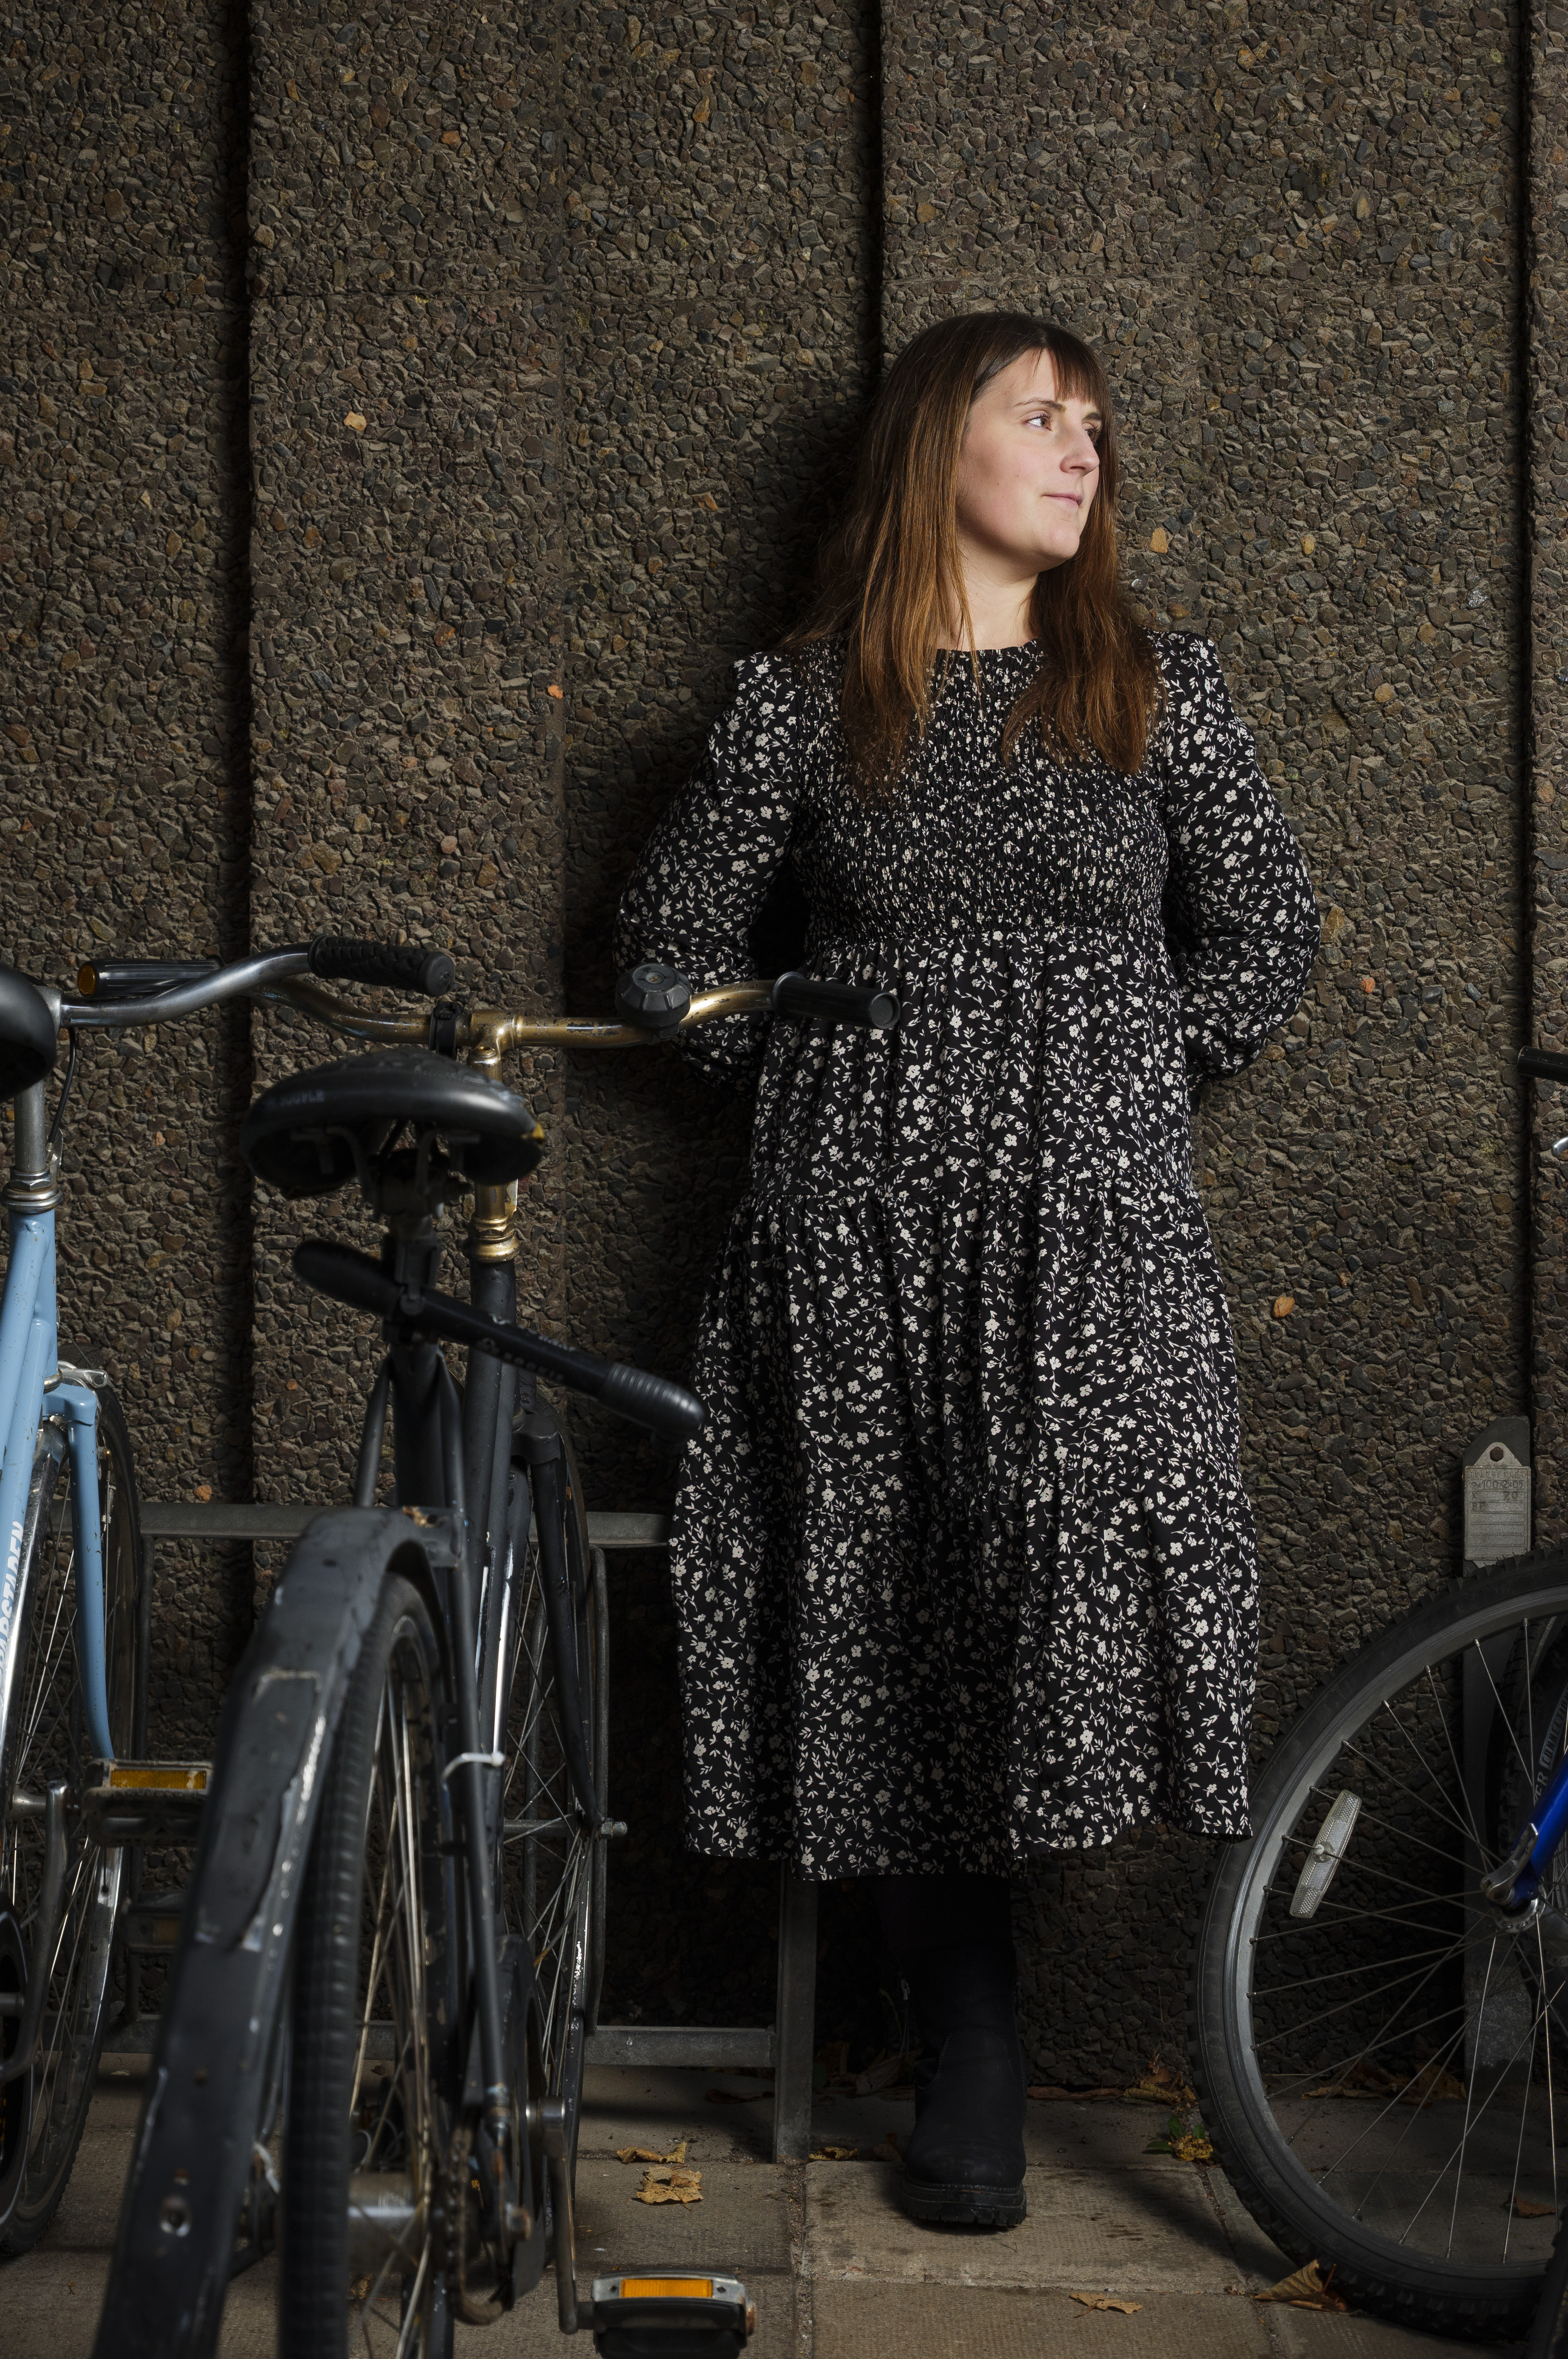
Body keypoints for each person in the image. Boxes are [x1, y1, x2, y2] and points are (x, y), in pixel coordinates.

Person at [614, 310, 1317, 2231]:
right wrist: (827, 1067)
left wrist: (1095, 1079)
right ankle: (968, 2032)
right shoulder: (801, 700)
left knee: (1044, 1571)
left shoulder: (1158, 686)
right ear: (940, 449)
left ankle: (1010, 1995)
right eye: (1038, 418)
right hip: (850, 1235)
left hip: (1088, 1235)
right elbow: (663, 952)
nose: (1081, 454)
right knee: (889, 1589)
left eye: (1096, 426)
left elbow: (1262, 941)